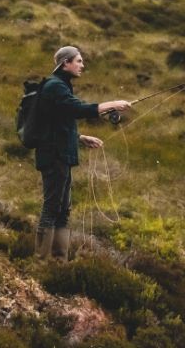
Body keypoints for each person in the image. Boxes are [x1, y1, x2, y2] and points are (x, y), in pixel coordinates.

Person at [34, 45, 131, 261]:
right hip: (54, 155)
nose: (82, 65)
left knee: (63, 209)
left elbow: (57, 121)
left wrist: (80, 138)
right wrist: (114, 104)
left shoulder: (60, 86)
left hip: (62, 154)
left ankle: (58, 261)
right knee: (52, 208)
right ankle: (40, 261)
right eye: (78, 61)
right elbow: (79, 110)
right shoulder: (55, 87)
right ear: (65, 63)